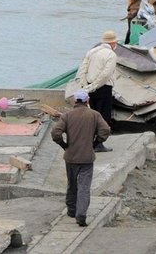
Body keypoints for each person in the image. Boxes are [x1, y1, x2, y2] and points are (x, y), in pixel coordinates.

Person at [51, 90, 111, 227]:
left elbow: (55, 133)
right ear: (87, 100)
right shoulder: (94, 115)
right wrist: (95, 143)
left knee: (72, 185)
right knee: (84, 187)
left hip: (71, 157)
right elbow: (105, 130)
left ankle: (72, 211)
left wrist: (64, 145)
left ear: (74, 101)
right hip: (87, 158)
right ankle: (81, 213)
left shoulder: (67, 115)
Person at [75, 30, 118, 151]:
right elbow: (106, 75)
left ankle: (90, 142)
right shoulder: (111, 55)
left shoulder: (92, 52)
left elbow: (82, 69)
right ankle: (98, 144)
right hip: (103, 88)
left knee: (92, 115)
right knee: (103, 117)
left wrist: (85, 86)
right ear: (113, 43)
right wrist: (94, 86)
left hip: (89, 87)